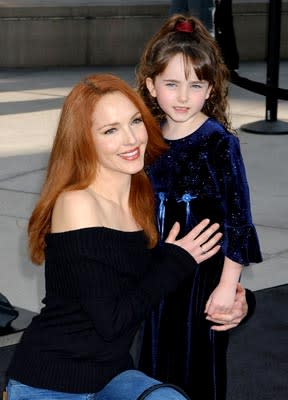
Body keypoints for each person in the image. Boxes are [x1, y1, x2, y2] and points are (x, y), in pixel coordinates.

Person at [5, 73, 229, 400]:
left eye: (135, 121)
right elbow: (113, 320)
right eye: (111, 130)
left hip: (112, 375)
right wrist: (175, 261)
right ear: (84, 141)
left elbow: (174, 278)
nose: (131, 139)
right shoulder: (76, 203)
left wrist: (234, 297)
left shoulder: (142, 193)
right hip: (51, 381)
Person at [136, 14, 262, 400]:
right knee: (153, 365)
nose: (182, 96)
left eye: (195, 85)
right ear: (151, 86)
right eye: (171, 84)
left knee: (198, 365)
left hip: (202, 281)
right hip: (158, 273)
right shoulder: (146, 140)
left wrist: (227, 287)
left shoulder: (218, 142)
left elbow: (239, 219)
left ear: (210, 89)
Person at [214, 0, 239, 71]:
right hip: (224, 19)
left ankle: (230, 64)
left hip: (222, 19)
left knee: (225, 41)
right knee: (228, 40)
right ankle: (231, 64)